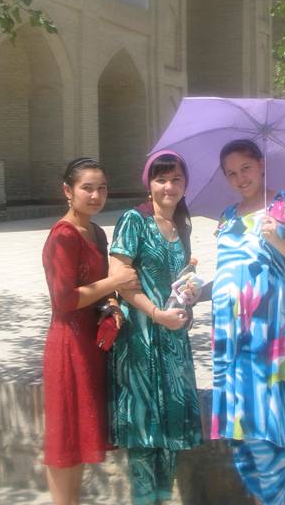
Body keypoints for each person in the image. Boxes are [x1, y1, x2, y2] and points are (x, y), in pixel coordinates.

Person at [211, 139, 285, 505]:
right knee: (246, 429)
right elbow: (232, 274)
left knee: (275, 426)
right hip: (234, 340)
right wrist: (194, 289)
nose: (240, 178)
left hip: (274, 338)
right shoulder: (228, 216)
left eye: (245, 168)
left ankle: (280, 500)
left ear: (261, 165)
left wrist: (279, 240)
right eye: (231, 173)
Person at [42, 157, 140, 505]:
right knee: (64, 435)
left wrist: (112, 302)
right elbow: (64, 300)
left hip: (93, 343)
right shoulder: (62, 237)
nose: (96, 195)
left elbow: (100, 288)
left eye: (102, 188)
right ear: (68, 191)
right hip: (69, 344)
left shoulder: (97, 232)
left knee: (82, 433)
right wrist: (113, 282)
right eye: (87, 188)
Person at [108, 150, 203, 505]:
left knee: (171, 430)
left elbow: (176, 282)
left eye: (176, 178)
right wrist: (156, 314)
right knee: (145, 428)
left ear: (185, 183)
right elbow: (120, 280)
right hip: (142, 339)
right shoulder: (134, 221)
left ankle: (161, 498)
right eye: (161, 179)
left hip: (173, 341)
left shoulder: (181, 224)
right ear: (148, 183)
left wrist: (188, 296)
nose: (169, 186)